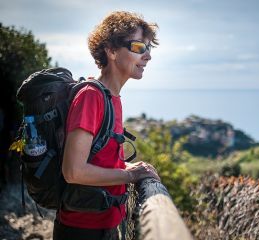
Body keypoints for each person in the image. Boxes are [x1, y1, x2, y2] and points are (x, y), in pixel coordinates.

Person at [53, 11, 160, 240]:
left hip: (105, 224)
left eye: (149, 48)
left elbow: (99, 160)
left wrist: (130, 168)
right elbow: (73, 171)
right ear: (111, 50)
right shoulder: (92, 96)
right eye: (140, 47)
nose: (148, 56)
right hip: (82, 230)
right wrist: (130, 176)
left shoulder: (111, 97)